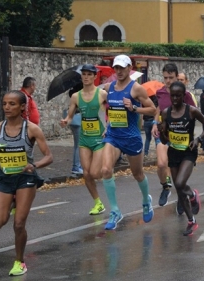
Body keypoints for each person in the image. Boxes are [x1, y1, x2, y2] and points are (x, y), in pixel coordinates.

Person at [0, 90, 53, 276]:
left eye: (12, 104)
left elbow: (49, 156)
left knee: (18, 224)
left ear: (22, 106)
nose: (7, 107)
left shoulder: (32, 129)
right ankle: (12, 202)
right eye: (5, 104)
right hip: (4, 178)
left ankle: (19, 261)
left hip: (26, 178)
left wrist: (34, 165)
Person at [101, 54, 156, 230]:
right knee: (105, 170)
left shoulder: (136, 88)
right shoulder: (109, 88)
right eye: (116, 68)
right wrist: (107, 125)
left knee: (137, 174)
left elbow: (152, 109)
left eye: (122, 68)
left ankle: (146, 200)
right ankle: (115, 210)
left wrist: (133, 108)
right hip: (114, 136)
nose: (118, 71)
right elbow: (110, 109)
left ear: (129, 68)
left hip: (131, 137)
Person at [159, 81, 204, 236]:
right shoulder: (165, 113)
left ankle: (193, 195)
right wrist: (162, 132)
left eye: (178, 96)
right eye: (172, 96)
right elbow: (164, 141)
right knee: (178, 189)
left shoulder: (191, 111)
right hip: (173, 152)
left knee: (180, 182)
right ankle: (192, 221)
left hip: (189, 151)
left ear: (184, 96)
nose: (175, 98)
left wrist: (198, 139)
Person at [60, 64, 109, 215]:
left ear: (95, 77)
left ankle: (108, 171)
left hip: (99, 138)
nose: (86, 77)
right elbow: (69, 116)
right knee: (86, 174)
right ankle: (98, 203)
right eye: (84, 74)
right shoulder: (76, 96)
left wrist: (109, 127)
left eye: (89, 74)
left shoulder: (102, 94)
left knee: (95, 173)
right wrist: (65, 121)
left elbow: (113, 111)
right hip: (84, 139)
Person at [152, 63, 197, 211]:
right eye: (165, 78)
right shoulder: (160, 93)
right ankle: (165, 187)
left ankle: (181, 198)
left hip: (180, 137)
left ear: (177, 77)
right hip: (164, 133)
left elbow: (193, 113)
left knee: (177, 172)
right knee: (161, 164)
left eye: (171, 77)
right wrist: (154, 123)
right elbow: (159, 109)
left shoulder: (185, 95)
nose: (168, 81)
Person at [142, 92, 160, 157]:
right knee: (157, 138)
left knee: (148, 138)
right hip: (154, 120)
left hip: (146, 121)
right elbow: (157, 110)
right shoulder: (156, 100)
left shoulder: (144, 100)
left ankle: (145, 153)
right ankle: (158, 153)